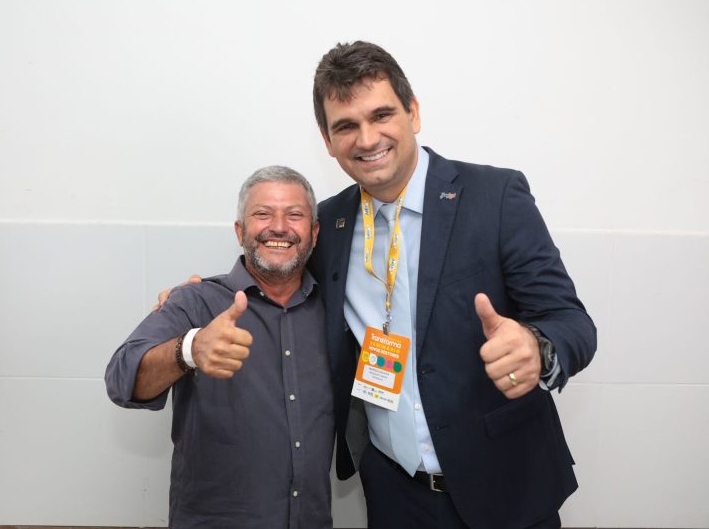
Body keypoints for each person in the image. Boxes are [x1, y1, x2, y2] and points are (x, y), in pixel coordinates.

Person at [306, 41, 597, 528]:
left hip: (505, 486)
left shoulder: (495, 197)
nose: (367, 138)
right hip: (394, 494)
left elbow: (571, 321)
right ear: (328, 140)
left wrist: (537, 348)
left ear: (413, 112)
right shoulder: (329, 225)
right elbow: (276, 275)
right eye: (346, 126)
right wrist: (194, 300)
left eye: (382, 115)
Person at [106, 166, 334, 529]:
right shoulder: (195, 302)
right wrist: (189, 349)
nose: (279, 227)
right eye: (262, 214)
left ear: (314, 232)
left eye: (294, 215)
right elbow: (122, 379)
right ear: (240, 231)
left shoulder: (334, 310)